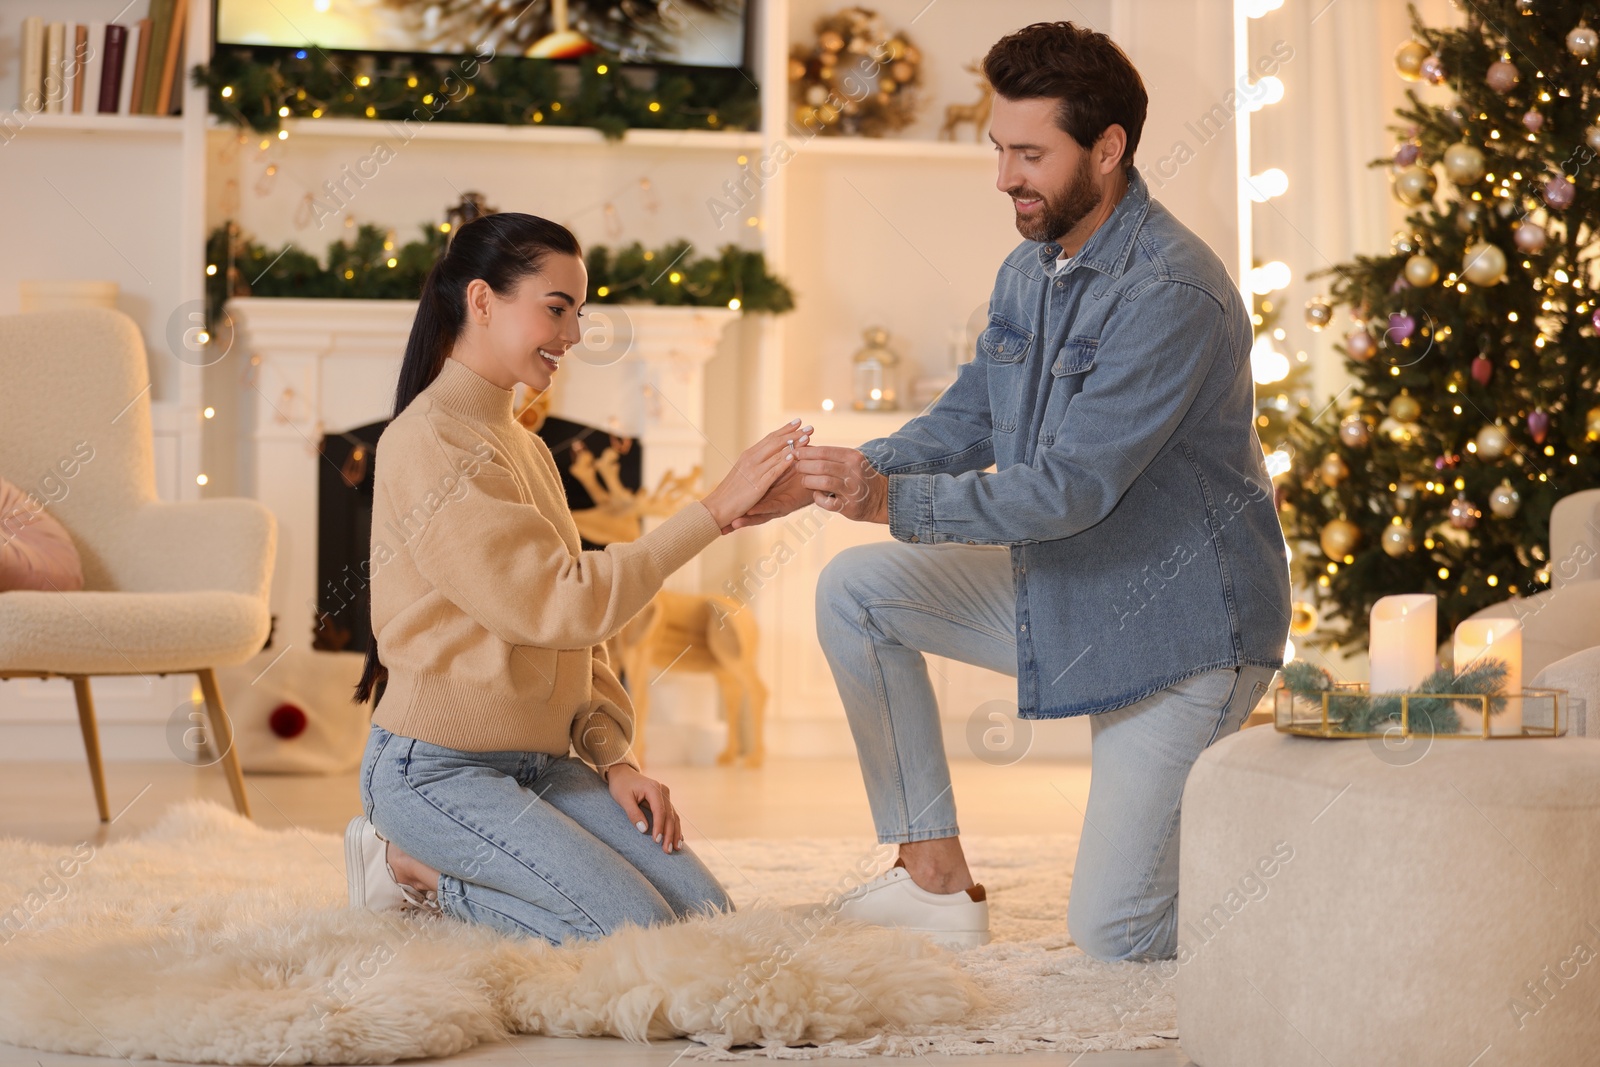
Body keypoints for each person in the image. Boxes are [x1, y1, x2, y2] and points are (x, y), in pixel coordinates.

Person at [735, 21, 1291, 959]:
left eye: (1030, 154)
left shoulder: (1172, 291)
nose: (1004, 178)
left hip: (1186, 636)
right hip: (1076, 595)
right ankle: (932, 879)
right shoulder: (1029, 269)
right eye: (1000, 149)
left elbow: (1068, 489)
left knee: (1116, 933)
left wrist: (890, 503)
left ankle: (1313, 884)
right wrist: (836, 475)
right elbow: (968, 422)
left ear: (1107, 151)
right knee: (857, 592)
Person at [343, 211, 810, 945]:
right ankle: (408, 868)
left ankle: (454, 866)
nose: (574, 335)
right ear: (482, 300)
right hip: (434, 771)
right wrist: (713, 511)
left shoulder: (526, 449)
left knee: (708, 921)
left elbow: (580, 639)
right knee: (633, 932)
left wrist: (613, 757)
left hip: (543, 761)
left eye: (579, 313)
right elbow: (560, 604)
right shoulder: (429, 441)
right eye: (556, 309)